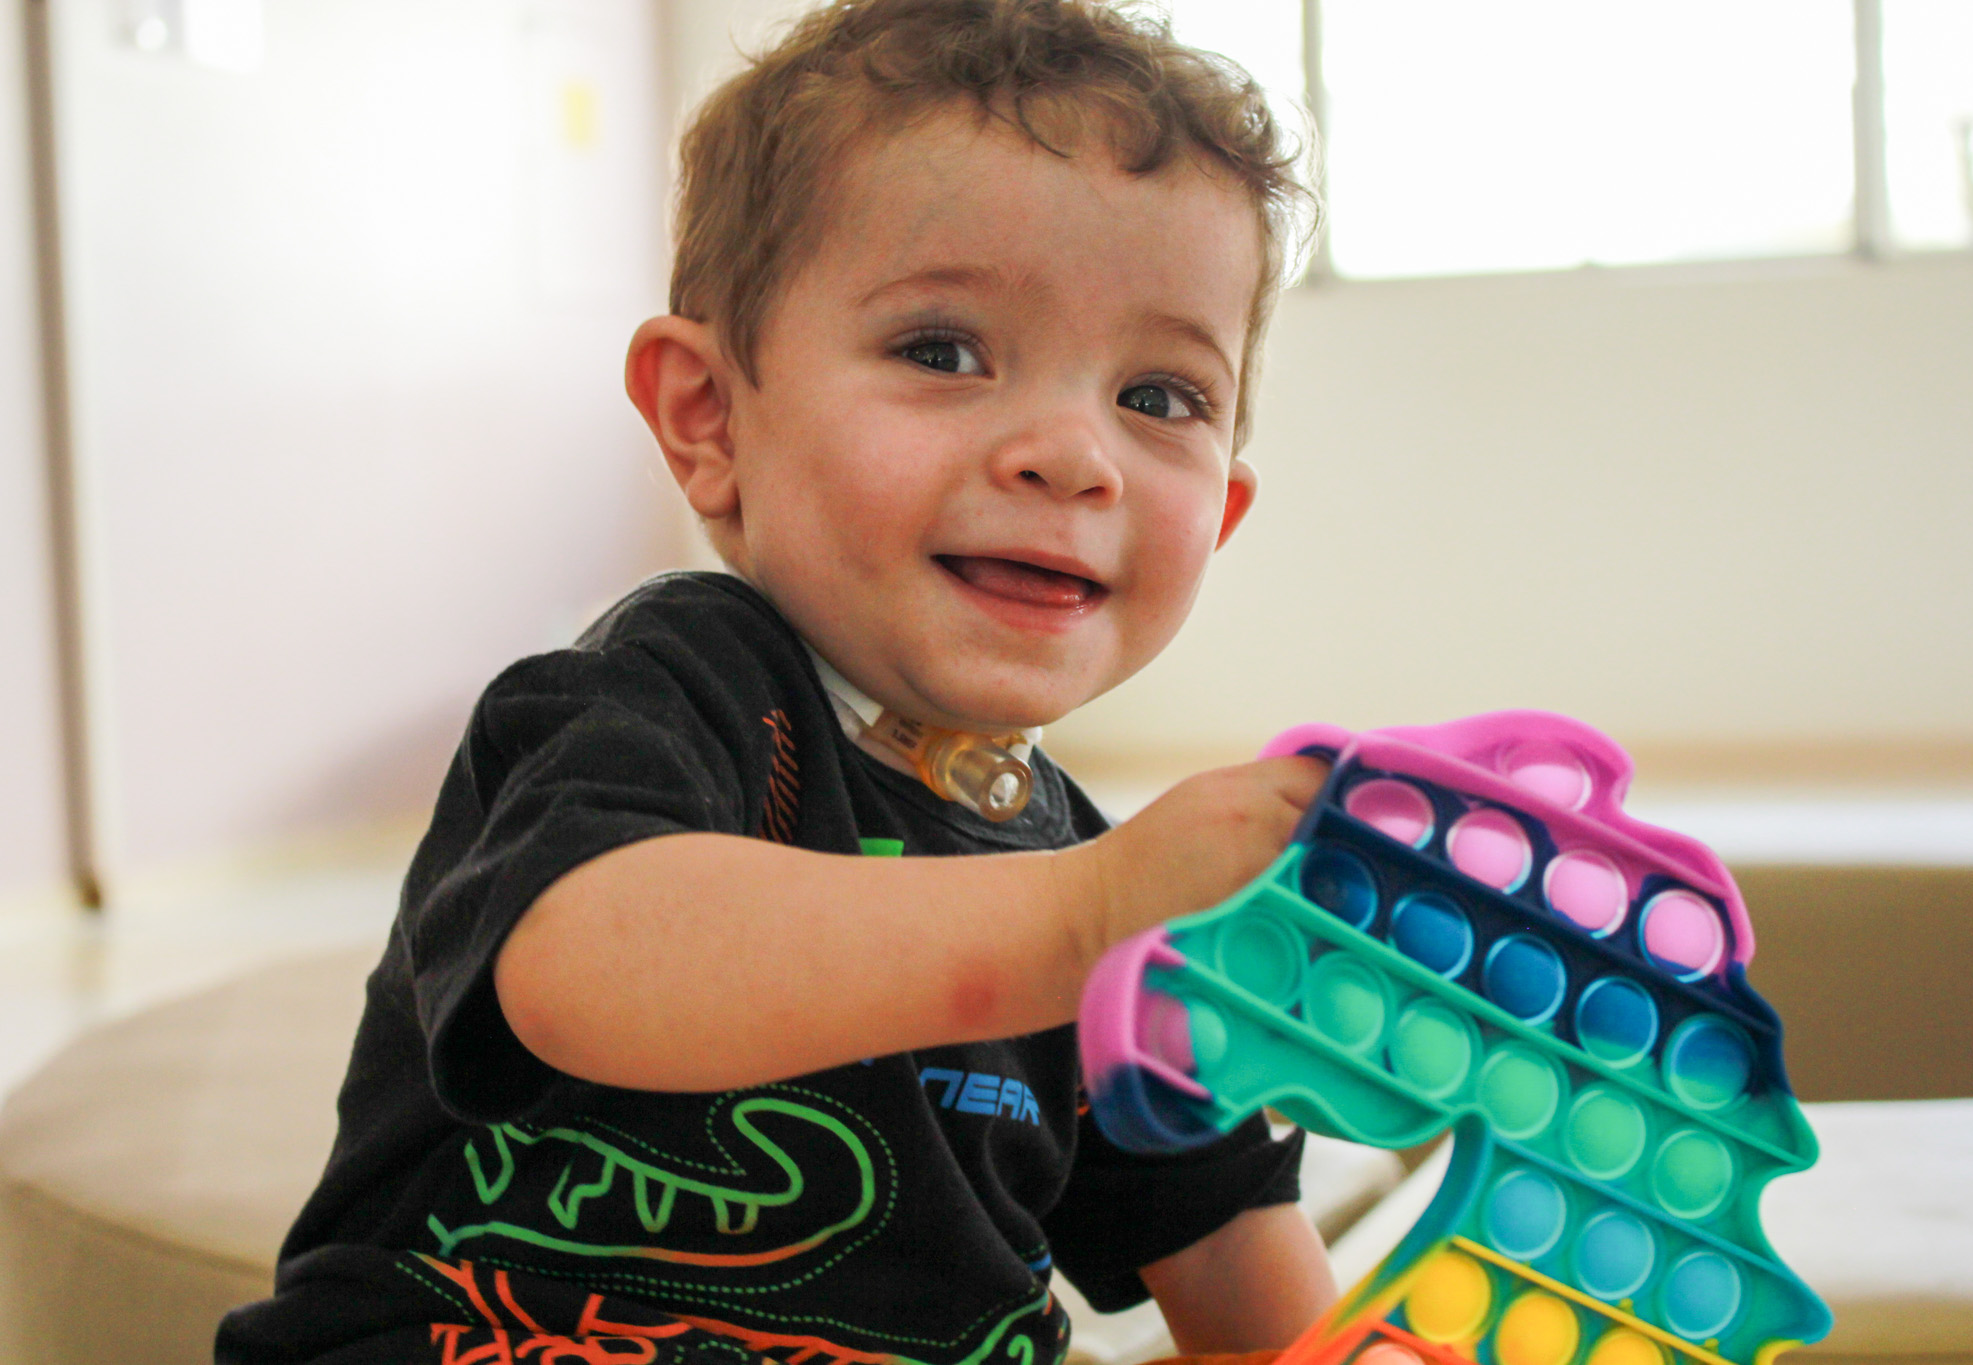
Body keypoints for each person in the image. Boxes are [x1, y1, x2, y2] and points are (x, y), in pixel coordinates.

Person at [218, 1, 1336, 1361]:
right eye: (943, 351)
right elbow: (583, 966)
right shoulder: (662, 690)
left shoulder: (1093, 883)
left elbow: (1232, 1255)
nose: (1071, 455)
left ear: (1222, 515)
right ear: (710, 418)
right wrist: (1083, 917)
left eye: (1159, 397)